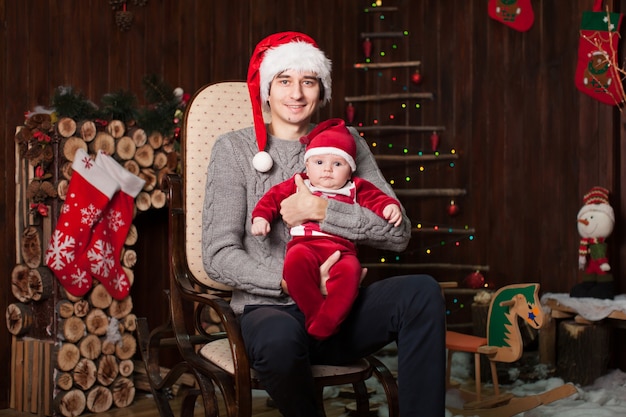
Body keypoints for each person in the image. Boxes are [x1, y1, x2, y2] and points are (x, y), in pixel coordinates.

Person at [202, 31, 446, 417]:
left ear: (321, 90)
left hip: (341, 306)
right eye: (284, 80)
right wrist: (286, 281)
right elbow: (217, 255)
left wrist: (321, 210)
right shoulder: (234, 149)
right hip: (271, 311)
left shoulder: (346, 144)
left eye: (308, 81)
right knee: (279, 340)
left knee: (421, 293)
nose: (296, 94)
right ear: (267, 88)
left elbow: (398, 235)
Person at [251, 117, 403, 340]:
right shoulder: (299, 183)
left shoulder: (355, 187)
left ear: (350, 170)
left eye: (338, 164)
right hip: (305, 245)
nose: (328, 170)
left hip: (342, 251)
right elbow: (271, 199)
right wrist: (261, 217)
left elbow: (376, 198)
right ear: (308, 165)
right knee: (294, 265)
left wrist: (390, 207)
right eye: (319, 163)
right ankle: (315, 315)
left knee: (350, 273)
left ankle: (328, 321)